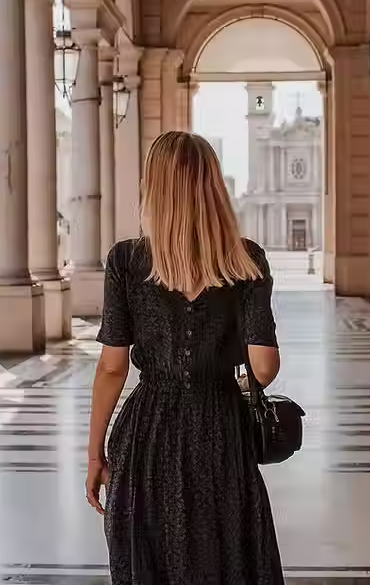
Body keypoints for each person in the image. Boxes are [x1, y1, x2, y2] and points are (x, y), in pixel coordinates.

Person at [86, 131, 285, 584]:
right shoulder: (246, 260)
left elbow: (112, 367)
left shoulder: (126, 262)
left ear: (153, 187)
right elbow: (265, 368)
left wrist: (94, 451)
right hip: (220, 430)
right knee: (225, 556)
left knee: (152, 560)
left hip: (147, 433)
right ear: (212, 188)